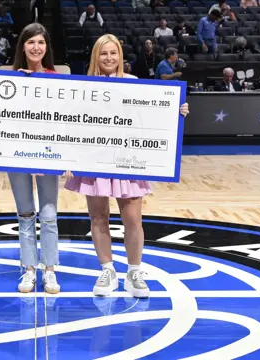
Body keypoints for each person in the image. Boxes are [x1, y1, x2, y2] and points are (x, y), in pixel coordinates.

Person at [64, 34, 189, 298]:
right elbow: (73, 123)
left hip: (128, 160)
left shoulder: (134, 83)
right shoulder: (83, 86)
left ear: (120, 56)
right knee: (98, 217)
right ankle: (107, 270)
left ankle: (134, 272)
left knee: (132, 219)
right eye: (103, 53)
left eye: (113, 53)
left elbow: (152, 116)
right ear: (95, 56)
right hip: (95, 159)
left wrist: (176, 111)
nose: (109, 58)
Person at [9, 23, 61, 294]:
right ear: (23, 46)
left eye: (41, 42)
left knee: (49, 216)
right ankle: (29, 269)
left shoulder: (58, 78)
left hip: (49, 156)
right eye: (31, 42)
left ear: (46, 47)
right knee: (26, 214)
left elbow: (66, 122)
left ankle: (49, 270)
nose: (36, 47)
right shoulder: (8, 81)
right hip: (17, 156)